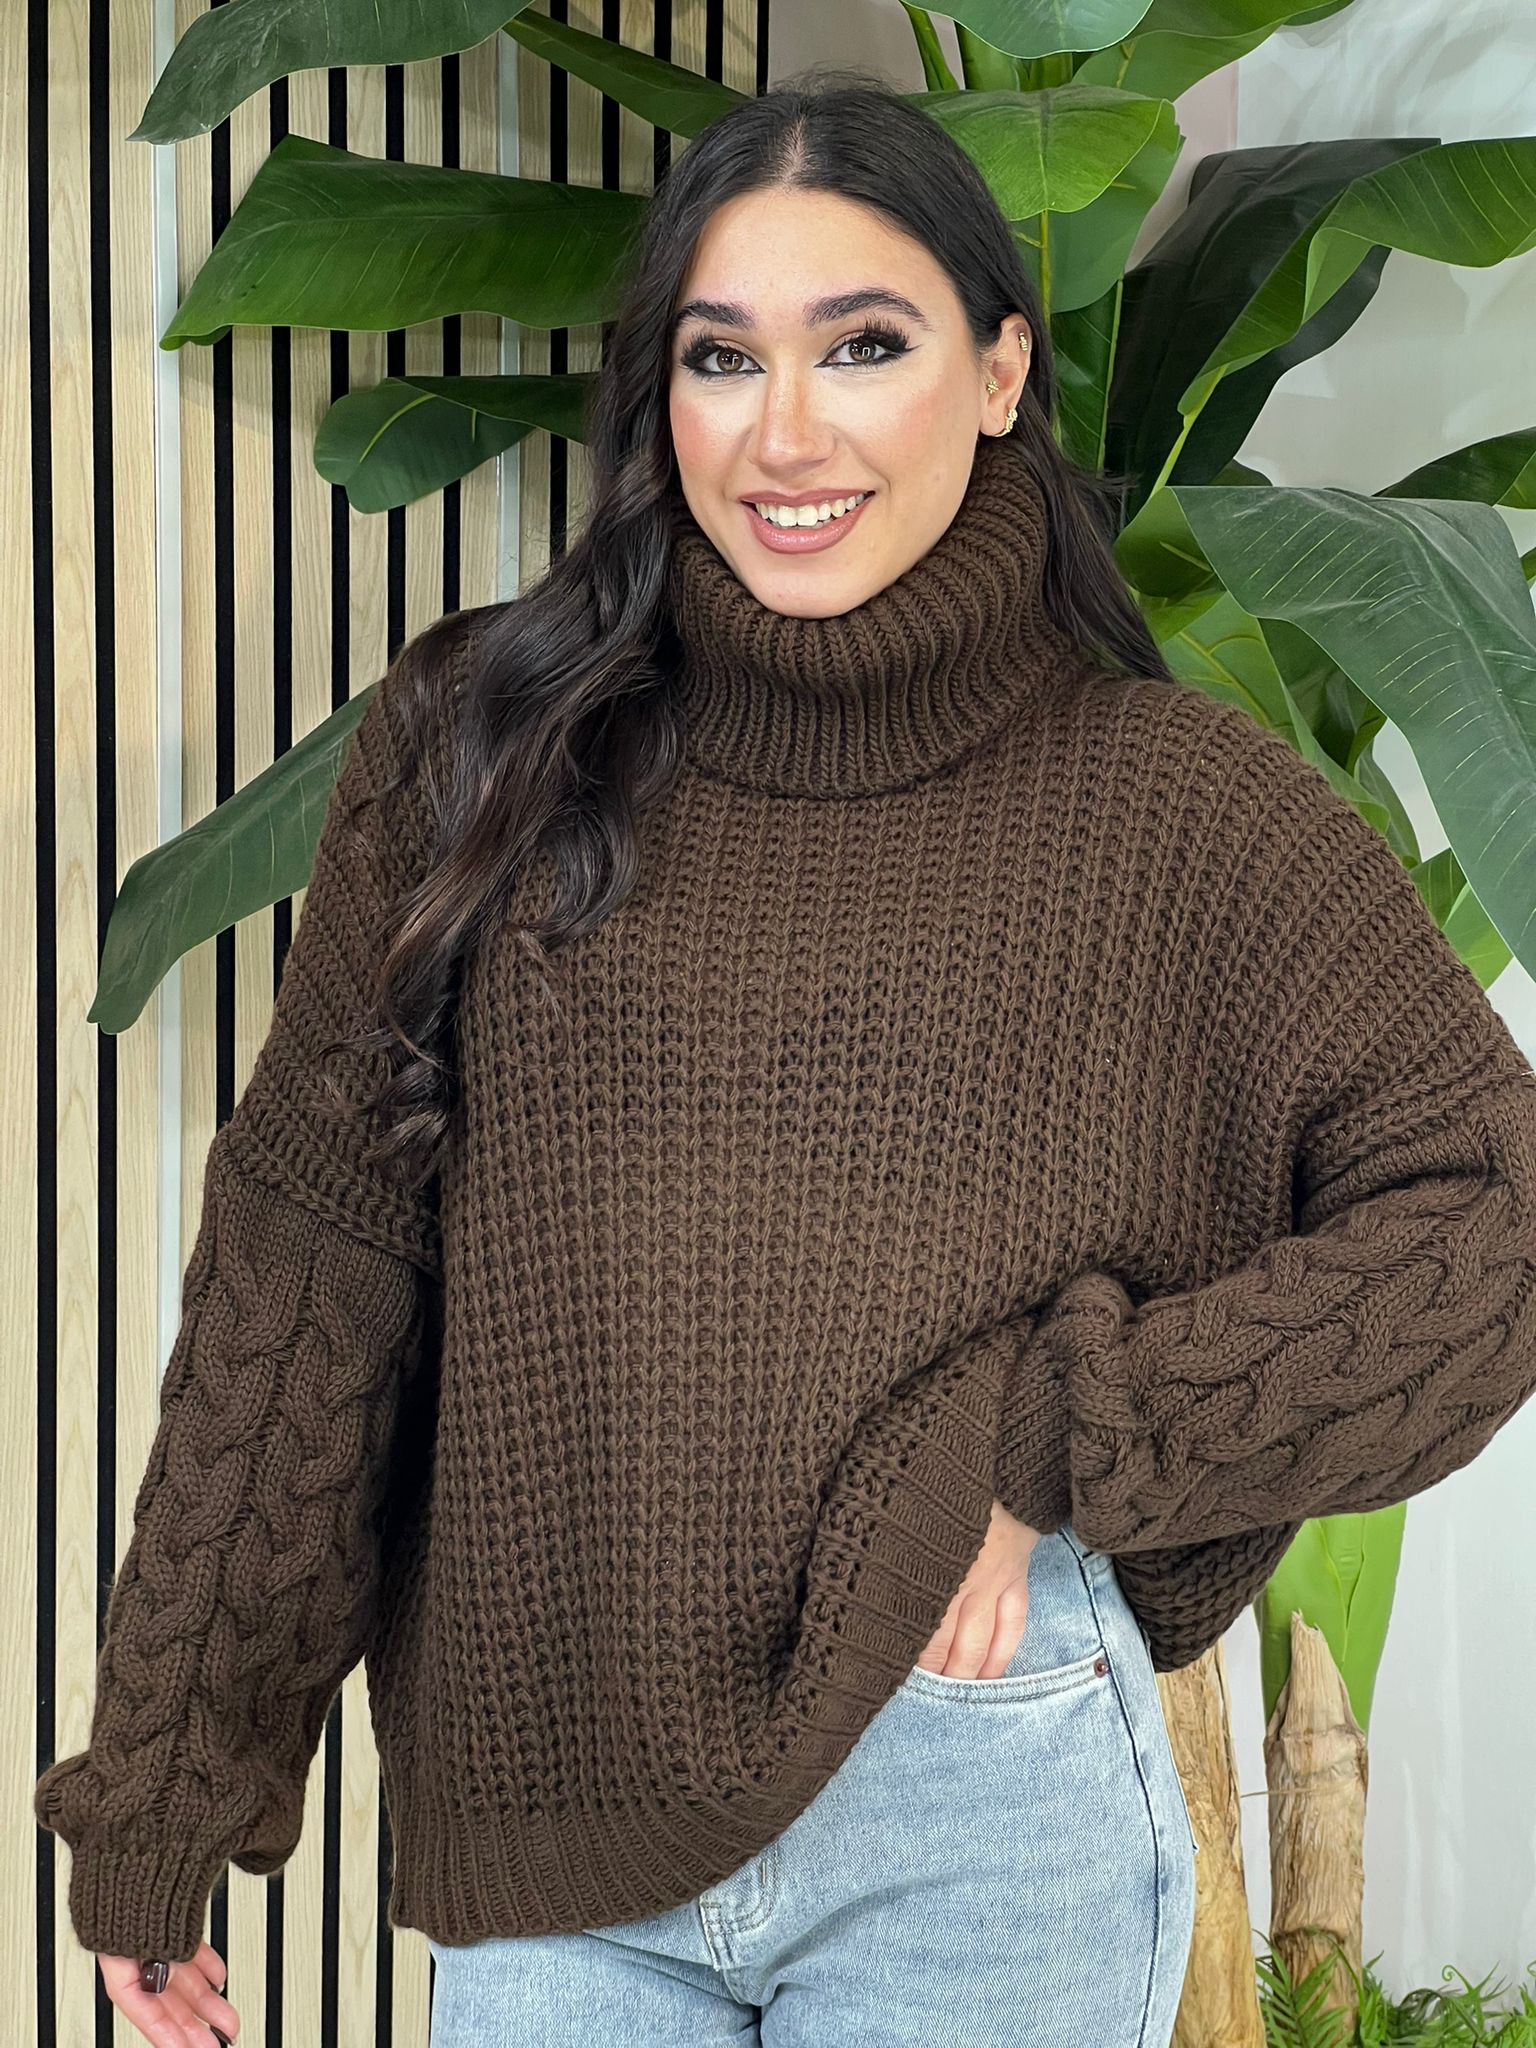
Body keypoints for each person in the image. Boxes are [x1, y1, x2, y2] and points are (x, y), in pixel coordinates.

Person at [35, 72, 1536, 2048]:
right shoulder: (483, 753)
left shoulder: (1176, 813)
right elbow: (312, 1272)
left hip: (973, 1788)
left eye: (866, 345)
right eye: (723, 356)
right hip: (553, 1820)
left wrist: (1067, 1432)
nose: (788, 432)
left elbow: (1495, 1220)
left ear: (1001, 370)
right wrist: (167, 1787)